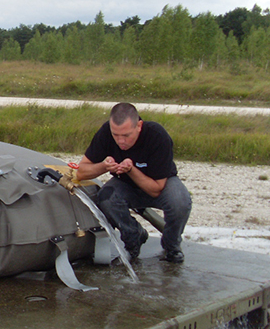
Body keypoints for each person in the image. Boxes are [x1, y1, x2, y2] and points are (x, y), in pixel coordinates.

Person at [76, 102, 191, 263]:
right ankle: (133, 239)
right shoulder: (106, 133)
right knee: (106, 198)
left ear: (139, 126)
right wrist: (103, 166)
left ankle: (171, 245)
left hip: (160, 183)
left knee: (180, 201)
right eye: (116, 135)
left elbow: (156, 189)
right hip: (125, 184)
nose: (121, 141)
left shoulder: (157, 136)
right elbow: (81, 171)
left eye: (126, 135)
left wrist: (131, 170)